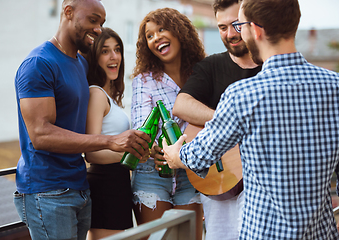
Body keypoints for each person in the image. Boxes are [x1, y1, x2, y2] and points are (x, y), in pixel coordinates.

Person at [163, 0, 339, 239]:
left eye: (241, 24)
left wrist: (175, 155)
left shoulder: (242, 95)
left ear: (255, 30)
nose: (237, 32)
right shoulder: (334, 86)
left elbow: (200, 155)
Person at [13, 1, 150, 240]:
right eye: (93, 20)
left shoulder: (80, 63)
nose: (98, 29)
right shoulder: (39, 64)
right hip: (47, 191)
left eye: (102, 23)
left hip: (80, 187)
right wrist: (110, 141)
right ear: (68, 12)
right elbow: (41, 135)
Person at [172, 0, 261, 239]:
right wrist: (229, 123)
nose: (230, 34)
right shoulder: (211, 66)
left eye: (236, 25)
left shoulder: (270, 67)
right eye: (222, 27)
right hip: (221, 180)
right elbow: (181, 105)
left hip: (263, 184)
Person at [130, 7, 206, 240]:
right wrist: (155, 149)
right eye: (149, 36)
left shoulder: (202, 73)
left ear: (179, 32)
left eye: (162, 29)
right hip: (152, 172)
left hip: (192, 171)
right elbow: (142, 128)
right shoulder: (143, 81)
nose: (156, 38)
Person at [83, 27, 133, 239]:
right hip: (105, 185)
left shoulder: (110, 97)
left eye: (117, 49)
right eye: (105, 51)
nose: (114, 57)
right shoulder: (96, 94)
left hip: (117, 183)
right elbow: (91, 153)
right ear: (94, 58)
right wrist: (134, 154)